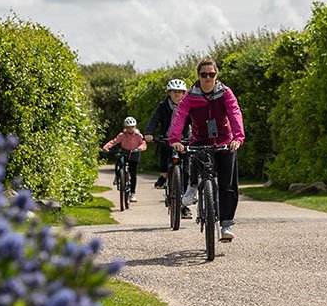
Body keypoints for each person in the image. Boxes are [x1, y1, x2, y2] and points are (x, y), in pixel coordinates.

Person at [168, 57, 245, 241]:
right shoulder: (190, 96)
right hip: (200, 138)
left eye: (211, 74)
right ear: (198, 76)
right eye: (204, 74)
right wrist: (175, 139)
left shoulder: (225, 93)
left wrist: (238, 138)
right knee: (194, 153)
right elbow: (180, 116)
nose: (208, 78)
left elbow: (235, 113)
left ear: (216, 75)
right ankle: (192, 187)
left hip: (225, 140)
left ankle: (226, 225)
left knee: (228, 185)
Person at [144, 79, 193, 219]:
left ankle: (184, 205)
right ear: (169, 93)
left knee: (186, 171)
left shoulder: (188, 105)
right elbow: (155, 119)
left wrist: (196, 136)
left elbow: (195, 121)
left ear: (184, 93)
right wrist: (149, 133)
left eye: (180, 92)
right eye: (174, 92)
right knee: (164, 154)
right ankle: (164, 175)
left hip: (183, 140)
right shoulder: (163, 106)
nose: (177, 94)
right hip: (166, 138)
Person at [103, 116, 147, 202]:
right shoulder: (122, 135)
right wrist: (106, 147)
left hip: (134, 153)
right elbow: (114, 141)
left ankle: (133, 194)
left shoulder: (138, 135)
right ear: (125, 127)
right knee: (119, 161)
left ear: (135, 127)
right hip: (125, 152)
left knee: (133, 174)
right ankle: (118, 176)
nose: (130, 129)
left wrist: (140, 148)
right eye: (128, 127)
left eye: (132, 127)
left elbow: (143, 143)